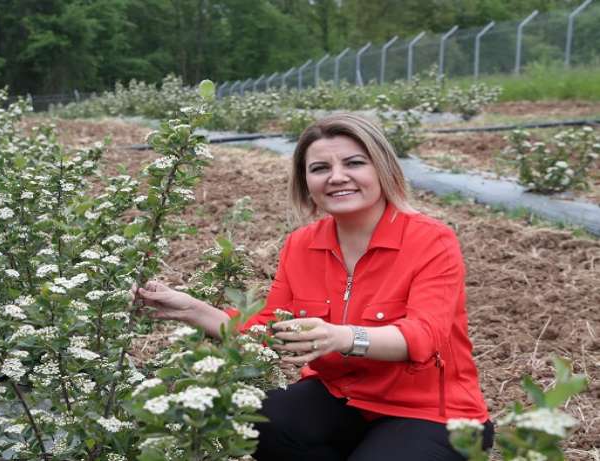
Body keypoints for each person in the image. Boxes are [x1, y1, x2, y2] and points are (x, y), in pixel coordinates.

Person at [136, 113, 493, 460]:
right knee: (251, 422)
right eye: (320, 168)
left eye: (354, 163)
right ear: (305, 181)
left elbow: (424, 335)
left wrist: (343, 338)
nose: (337, 177)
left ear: (382, 169)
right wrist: (189, 309)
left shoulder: (431, 240)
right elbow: (269, 329)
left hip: (429, 411)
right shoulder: (301, 244)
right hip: (341, 396)